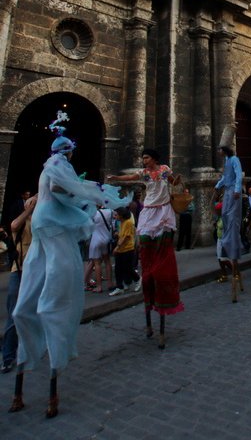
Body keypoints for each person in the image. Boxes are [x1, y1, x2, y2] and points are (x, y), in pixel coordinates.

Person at [10, 114, 130, 417]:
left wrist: (85, 193)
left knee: (28, 306)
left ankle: (21, 388)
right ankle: (50, 380)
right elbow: (68, 190)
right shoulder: (59, 166)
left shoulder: (47, 168)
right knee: (54, 306)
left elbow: (61, 192)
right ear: (68, 152)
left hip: (42, 238)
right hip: (55, 238)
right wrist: (96, 192)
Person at [107, 149, 184, 343]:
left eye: (147, 157)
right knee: (147, 249)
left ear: (155, 158)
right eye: (143, 158)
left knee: (163, 251)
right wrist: (116, 176)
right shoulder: (144, 173)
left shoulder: (165, 169)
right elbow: (132, 176)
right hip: (149, 211)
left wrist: (179, 184)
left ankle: (157, 274)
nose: (144, 160)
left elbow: (174, 180)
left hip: (164, 210)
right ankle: (146, 274)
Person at [1, 194, 37, 374]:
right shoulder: (19, 224)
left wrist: (37, 198)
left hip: (34, 273)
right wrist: (29, 208)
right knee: (13, 314)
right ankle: (7, 355)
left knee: (32, 312)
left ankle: (29, 348)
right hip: (19, 271)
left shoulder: (35, 221)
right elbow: (14, 225)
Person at [214, 125, 244, 302]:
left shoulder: (234, 160)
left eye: (219, 148)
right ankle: (226, 242)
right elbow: (225, 178)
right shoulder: (226, 162)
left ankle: (232, 244)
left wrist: (238, 190)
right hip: (227, 191)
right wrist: (217, 186)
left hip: (233, 192)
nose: (218, 150)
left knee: (232, 218)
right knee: (225, 217)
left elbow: (238, 175)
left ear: (224, 149)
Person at [109, 207, 141, 295]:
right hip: (121, 249)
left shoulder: (128, 222)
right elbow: (121, 235)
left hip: (127, 249)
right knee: (118, 268)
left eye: (116, 215)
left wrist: (117, 247)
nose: (115, 216)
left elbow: (125, 237)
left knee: (127, 268)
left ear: (121, 215)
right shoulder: (121, 223)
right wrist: (117, 234)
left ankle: (137, 279)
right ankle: (119, 287)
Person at [84, 204, 114, 293]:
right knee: (107, 261)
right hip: (106, 239)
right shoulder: (110, 212)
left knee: (97, 263)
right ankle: (110, 283)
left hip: (96, 239)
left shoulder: (94, 213)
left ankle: (99, 286)